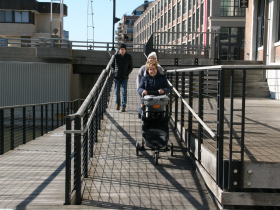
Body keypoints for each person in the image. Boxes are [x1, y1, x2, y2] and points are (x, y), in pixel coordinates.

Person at [110, 43, 133, 112]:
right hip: (117, 77)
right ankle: (118, 103)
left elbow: (131, 67)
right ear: (119, 50)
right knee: (117, 92)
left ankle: (123, 106)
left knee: (124, 92)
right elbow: (111, 65)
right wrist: (114, 72)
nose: (122, 50)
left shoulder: (128, 57)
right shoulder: (116, 56)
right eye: (121, 49)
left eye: (123, 49)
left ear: (125, 50)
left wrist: (127, 73)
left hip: (124, 77)